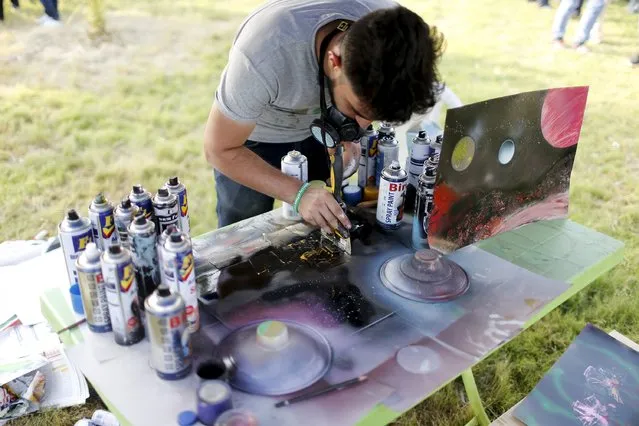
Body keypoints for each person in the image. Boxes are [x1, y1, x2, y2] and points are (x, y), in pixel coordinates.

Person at [204, 0, 444, 233]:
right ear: (334, 61)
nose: (360, 126)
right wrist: (299, 193)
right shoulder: (266, 51)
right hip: (252, 140)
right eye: (356, 111)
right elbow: (219, 149)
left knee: (321, 222)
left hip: (321, 129)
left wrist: (352, 135)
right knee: (243, 232)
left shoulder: (397, 39)